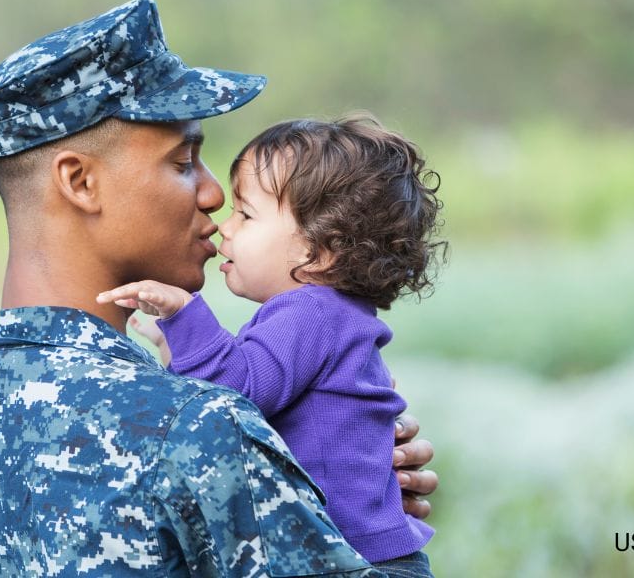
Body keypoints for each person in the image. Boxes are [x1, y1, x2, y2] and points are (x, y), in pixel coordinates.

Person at [0, 0, 437, 577]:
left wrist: (335, 484)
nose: (214, 195)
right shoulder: (197, 428)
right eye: (182, 162)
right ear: (79, 181)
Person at [97, 115, 443, 576]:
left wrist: (186, 315)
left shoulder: (312, 313)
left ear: (317, 251)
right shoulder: (327, 315)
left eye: (246, 214)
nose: (225, 227)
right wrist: (174, 340)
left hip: (352, 562)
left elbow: (234, 393)